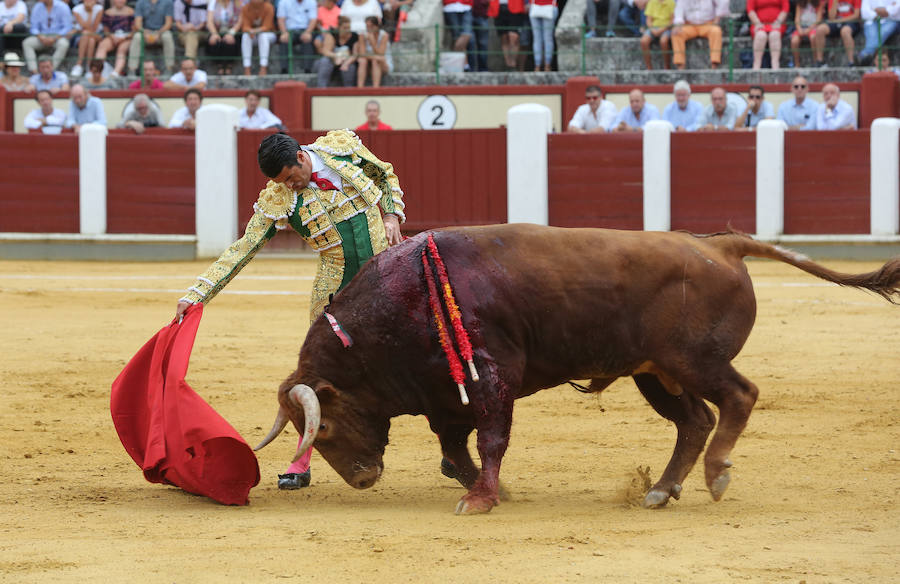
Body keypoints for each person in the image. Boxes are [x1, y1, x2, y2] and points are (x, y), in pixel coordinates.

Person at [174, 130, 406, 490]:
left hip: (385, 276)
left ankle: (452, 449)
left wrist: (391, 215)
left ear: (300, 156)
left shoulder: (342, 150)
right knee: (313, 378)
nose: (290, 186)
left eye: (290, 177)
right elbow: (244, 247)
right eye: (281, 182)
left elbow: (384, 173)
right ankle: (301, 460)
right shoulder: (279, 198)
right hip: (335, 290)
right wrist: (198, 293)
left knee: (421, 353)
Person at [671, 0, 728, 70]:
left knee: (716, 31)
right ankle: (680, 64)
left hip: (708, 24)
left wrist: (717, 18)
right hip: (690, 24)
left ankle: (714, 63)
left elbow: (724, 2)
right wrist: (678, 24)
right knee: (676, 34)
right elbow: (679, 11)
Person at [22, 0, 72, 73]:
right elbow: (33, 27)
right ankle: (34, 71)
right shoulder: (37, 7)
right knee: (27, 43)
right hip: (42, 37)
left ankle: (49, 70)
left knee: (64, 44)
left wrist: (55, 38)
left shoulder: (63, 6)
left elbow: (67, 27)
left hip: (58, 37)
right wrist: (40, 36)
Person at [129, 0, 175, 76]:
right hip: (146, 32)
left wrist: (159, 33)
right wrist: (144, 32)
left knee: (168, 36)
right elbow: (138, 23)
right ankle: (132, 69)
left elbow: (168, 23)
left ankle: (169, 69)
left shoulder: (168, 2)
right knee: (137, 37)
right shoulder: (140, 2)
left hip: (161, 32)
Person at [314, 15, 360, 87]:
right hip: (333, 60)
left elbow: (355, 54)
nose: (347, 30)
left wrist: (346, 62)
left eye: (349, 28)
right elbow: (326, 51)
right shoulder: (332, 34)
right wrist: (337, 56)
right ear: (339, 27)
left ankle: (349, 91)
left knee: (350, 67)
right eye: (345, 28)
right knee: (325, 61)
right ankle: (321, 89)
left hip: (347, 61)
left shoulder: (354, 36)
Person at [813, 0, 860, 67]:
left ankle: (851, 62)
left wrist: (840, 20)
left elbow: (856, 15)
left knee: (845, 31)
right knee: (820, 29)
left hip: (850, 22)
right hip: (836, 22)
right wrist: (835, 2)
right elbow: (831, 17)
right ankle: (820, 61)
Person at [276, 0, 318, 74]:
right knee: (284, 39)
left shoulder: (312, 2)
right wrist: (284, 33)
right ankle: (284, 69)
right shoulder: (283, 2)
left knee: (308, 39)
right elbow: (281, 19)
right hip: (289, 31)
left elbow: (313, 20)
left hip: (306, 30)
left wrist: (308, 32)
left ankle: (307, 69)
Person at [95, 0, 134, 78]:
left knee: (121, 50)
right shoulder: (107, 12)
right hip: (112, 36)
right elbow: (106, 30)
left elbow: (134, 30)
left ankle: (116, 72)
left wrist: (124, 38)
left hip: (126, 37)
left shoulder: (131, 12)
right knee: (102, 46)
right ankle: (97, 70)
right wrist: (112, 37)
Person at [237, 0, 277, 76]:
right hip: (253, 35)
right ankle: (247, 68)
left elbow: (267, 26)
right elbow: (245, 27)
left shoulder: (269, 7)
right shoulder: (245, 8)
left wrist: (255, 31)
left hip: (269, 35)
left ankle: (263, 67)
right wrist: (251, 31)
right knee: (245, 36)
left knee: (263, 35)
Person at [747, 0, 790, 69]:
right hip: (759, 24)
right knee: (760, 35)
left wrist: (778, 21)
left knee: (775, 35)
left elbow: (785, 8)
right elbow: (750, 10)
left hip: (777, 24)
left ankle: (775, 64)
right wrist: (757, 22)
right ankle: (756, 64)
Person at [856, 0, 900, 65]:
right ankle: (866, 57)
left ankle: (863, 55)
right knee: (872, 34)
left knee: (883, 32)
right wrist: (882, 12)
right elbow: (864, 12)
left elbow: (897, 8)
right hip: (872, 21)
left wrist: (877, 10)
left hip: (891, 21)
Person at [205, 0, 241, 75]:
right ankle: (219, 65)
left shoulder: (237, 3)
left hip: (232, 31)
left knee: (230, 42)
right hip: (216, 30)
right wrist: (214, 33)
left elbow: (240, 21)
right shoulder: (213, 2)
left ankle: (229, 65)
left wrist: (231, 33)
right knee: (214, 41)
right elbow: (209, 22)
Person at [69, 0, 103, 78]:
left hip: (95, 35)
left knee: (87, 35)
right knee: (89, 38)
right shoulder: (76, 9)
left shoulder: (99, 8)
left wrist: (90, 12)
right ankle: (88, 66)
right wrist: (90, 12)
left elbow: (94, 29)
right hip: (81, 38)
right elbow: (85, 27)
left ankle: (79, 64)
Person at [357, 15, 391, 86]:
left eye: (371, 26)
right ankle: (360, 88)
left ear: (377, 26)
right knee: (363, 61)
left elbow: (380, 54)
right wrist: (375, 57)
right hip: (370, 62)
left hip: (383, 64)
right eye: (367, 26)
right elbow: (362, 53)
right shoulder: (362, 35)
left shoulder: (384, 35)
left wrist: (372, 42)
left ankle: (375, 88)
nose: (369, 29)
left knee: (376, 61)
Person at [491, 0, 526, 69]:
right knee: (504, 38)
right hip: (499, 7)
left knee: (514, 37)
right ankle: (508, 64)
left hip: (515, 6)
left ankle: (513, 63)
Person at [640, 0, 674, 69]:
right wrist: (652, 29)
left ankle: (667, 66)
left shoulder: (671, 2)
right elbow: (648, 20)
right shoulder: (651, 2)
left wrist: (662, 30)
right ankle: (649, 67)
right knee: (643, 41)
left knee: (663, 41)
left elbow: (672, 21)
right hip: (653, 28)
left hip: (666, 28)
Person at [529, 0, 556, 72]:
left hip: (549, 6)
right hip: (536, 6)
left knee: (546, 38)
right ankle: (540, 65)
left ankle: (545, 65)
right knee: (540, 38)